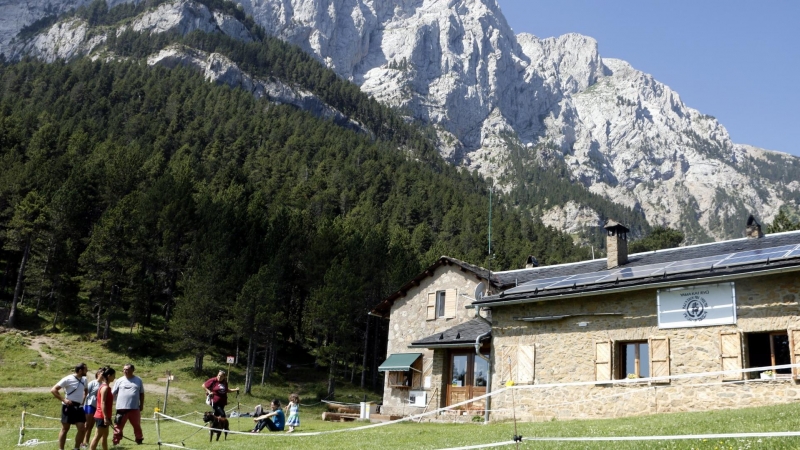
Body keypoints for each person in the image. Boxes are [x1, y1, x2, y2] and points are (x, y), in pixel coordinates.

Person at [50, 362, 89, 450]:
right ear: (80, 370)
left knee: (82, 428)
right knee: (65, 429)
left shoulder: (84, 380)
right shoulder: (68, 379)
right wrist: (64, 400)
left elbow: (86, 391)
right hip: (68, 406)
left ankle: (76, 448)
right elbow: (53, 390)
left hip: (79, 408)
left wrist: (83, 401)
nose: (87, 371)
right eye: (85, 369)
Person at [112, 363, 145, 446]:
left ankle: (139, 440)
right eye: (124, 369)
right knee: (118, 426)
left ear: (132, 370)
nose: (125, 371)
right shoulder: (119, 380)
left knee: (137, 425)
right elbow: (113, 393)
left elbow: (141, 393)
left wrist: (141, 405)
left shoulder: (138, 380)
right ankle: (116, 442)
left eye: (127, 369)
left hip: (134, 408)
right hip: (121, 408)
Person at [90, 367, 116, 450]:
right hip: (101, 416)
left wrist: (108, 417)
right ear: (109, 376)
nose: (114, 378)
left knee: (104, 436)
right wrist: (105, 417)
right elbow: (103, 403)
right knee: (97, 436)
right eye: (113, 376)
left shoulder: (105, 387)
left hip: (105, 416)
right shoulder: (104, 388)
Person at [82, 368, 103, 448]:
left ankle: (86, 441)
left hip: (97, 406)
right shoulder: (93, 383)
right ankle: (81, 442)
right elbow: (86, 393)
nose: (103, 375)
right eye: (101, 373)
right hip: (89, 404)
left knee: (91, 425)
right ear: (98, 374)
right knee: (86, 425)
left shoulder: (103, 384)